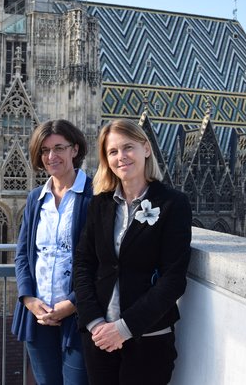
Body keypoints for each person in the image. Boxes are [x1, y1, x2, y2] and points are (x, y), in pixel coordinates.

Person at [73, 118, 192, 385]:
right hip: (99, 338)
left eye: (128, 147)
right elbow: (83, 263)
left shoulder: (173, 203)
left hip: (148, 338)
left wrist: (124, 329)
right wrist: (94, 323)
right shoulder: (100, 203)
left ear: (146, 149)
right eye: (112, 151)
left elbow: (173, 279)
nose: (121, 157)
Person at [12, 119, 92, 385]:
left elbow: (103, 261)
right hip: (39, 313)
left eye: (59, 148)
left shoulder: (96, 196)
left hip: (79, 314)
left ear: (75, 150)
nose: (51, 156)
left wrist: (72, 303)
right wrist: (27, 298)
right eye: (45, 150)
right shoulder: (36, 198)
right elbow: (23, 254)